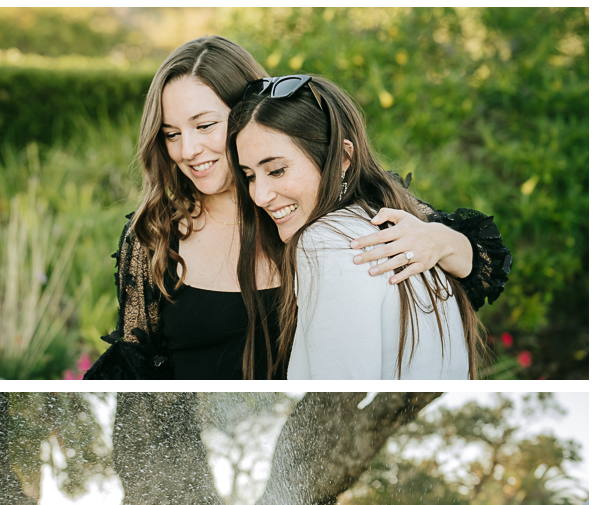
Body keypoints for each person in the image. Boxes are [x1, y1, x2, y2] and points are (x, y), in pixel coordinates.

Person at [83, 36, 511, 380]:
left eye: (205, 125)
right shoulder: (156, 235)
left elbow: (484, 262)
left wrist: (439, 238)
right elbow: (136, 370)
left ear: (248, 115)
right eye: (171, 133)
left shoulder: (320, 206)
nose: (188, 150)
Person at [230, 74, 498, 378]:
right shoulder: (393, 218)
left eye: (276, 171)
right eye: (250, 175)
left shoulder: (326, 241)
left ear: (343, 157)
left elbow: (337, 391)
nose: (260, 196)